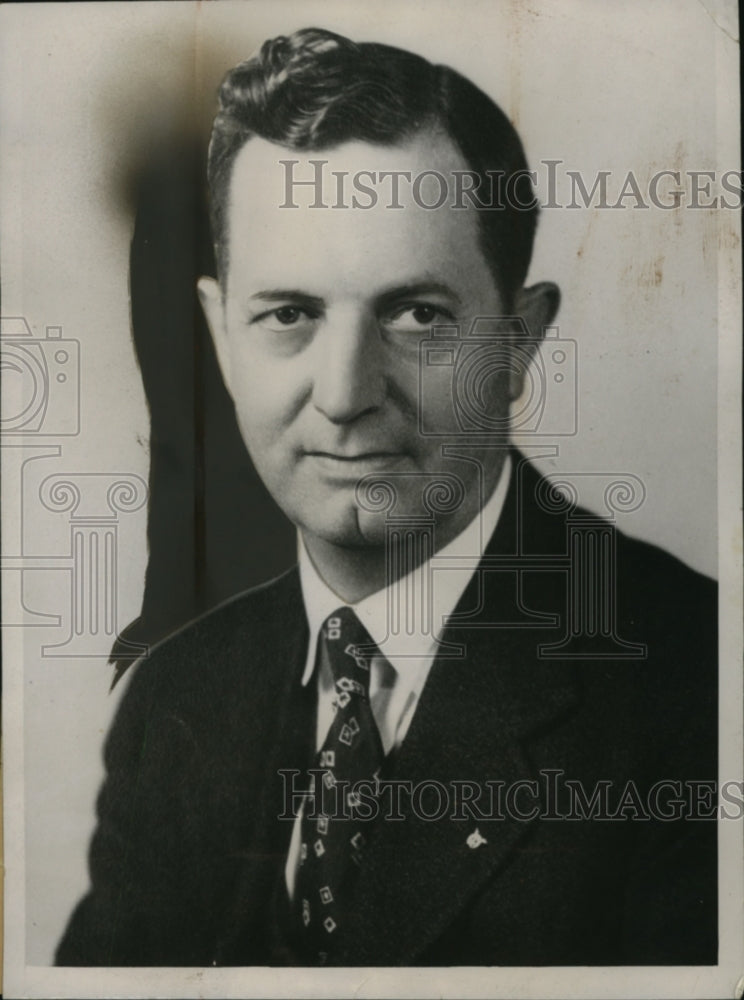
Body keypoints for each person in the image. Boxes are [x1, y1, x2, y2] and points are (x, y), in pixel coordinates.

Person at [56, 27, 717, 967]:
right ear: (220, 337)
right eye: (288, 315)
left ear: (519, 341)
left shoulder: (700, 688)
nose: (343, 393)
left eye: (417, 315)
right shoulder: (177, 699)